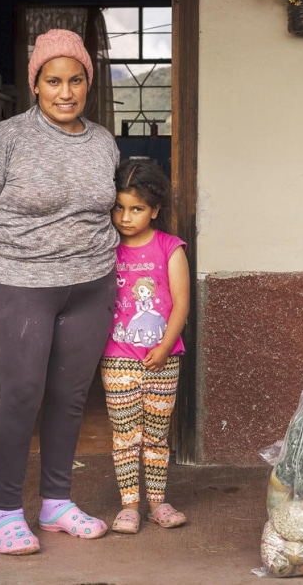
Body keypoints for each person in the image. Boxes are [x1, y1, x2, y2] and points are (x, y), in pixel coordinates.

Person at [0, 28, 120, 556]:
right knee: (22, 397)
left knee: (69, 400)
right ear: (36, 85)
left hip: (93, 286)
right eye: (53, 81)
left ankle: (56, 503)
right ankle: (6, 515)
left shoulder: (103, 141)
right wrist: (6, 269)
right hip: (23, 288)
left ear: (87, 84)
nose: (65, 92)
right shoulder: (5, 140)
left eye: (75, 81)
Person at [101, 158, 190, 534]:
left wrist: (166, 346)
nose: (125, 217)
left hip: (163, 359)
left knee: (156, 433)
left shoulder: (170, 248)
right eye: (119, 207)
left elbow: (182, 303)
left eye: (136, 209)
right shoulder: (104, 248)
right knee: (125, 435)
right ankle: (129, 505)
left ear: (154, 210)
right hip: (117, 358)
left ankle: (157, 503)